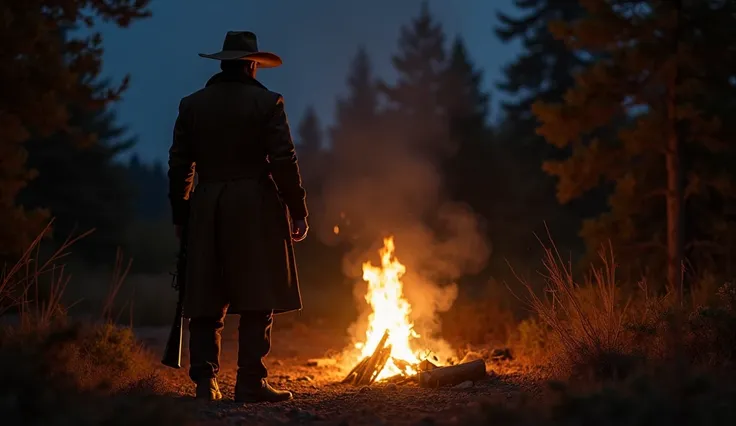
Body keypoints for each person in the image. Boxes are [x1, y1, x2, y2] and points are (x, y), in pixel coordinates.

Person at [167, 31, 309, 403]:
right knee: (257, 295)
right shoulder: (267, 103)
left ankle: (205, 382)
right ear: (250, 65)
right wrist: (298, 209)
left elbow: (180, 165)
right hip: (254, 206)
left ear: (223, 63)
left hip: (207, 204)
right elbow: (283, 161)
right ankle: (250, 382)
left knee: (205, 294)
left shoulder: (191, 104)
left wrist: (181, 214)